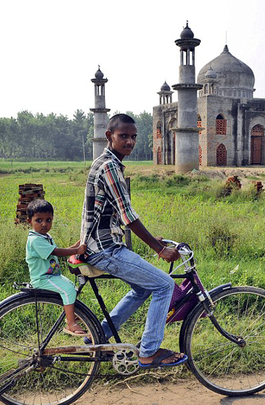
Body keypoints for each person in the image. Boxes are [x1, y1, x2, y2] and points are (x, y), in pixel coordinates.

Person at [80, 113, 187, 369]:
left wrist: (152, 238)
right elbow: (128, 216)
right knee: (164, 285)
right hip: (104, 249)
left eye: (133, 137)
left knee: (142, 288)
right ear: (109, 136)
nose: (129, 141)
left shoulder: (107, 162)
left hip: (101, 244)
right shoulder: (110, 167)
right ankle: (148, 352)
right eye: (123, 136)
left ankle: (99, 335)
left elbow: (112, 214)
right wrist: (159, 248)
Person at [26, 199, 88, 336]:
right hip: (42, 278)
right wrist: (76, 250)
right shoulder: (35, 240)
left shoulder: (45, 236)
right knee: (68, 290)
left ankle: (70, 316)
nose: (44, 224)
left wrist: (76, 246)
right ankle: (71, 323)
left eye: (48, 220)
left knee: (72, 287)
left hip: (52, 276)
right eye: (38, 220)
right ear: (29, 221)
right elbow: (56, 252)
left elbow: (57, 250)